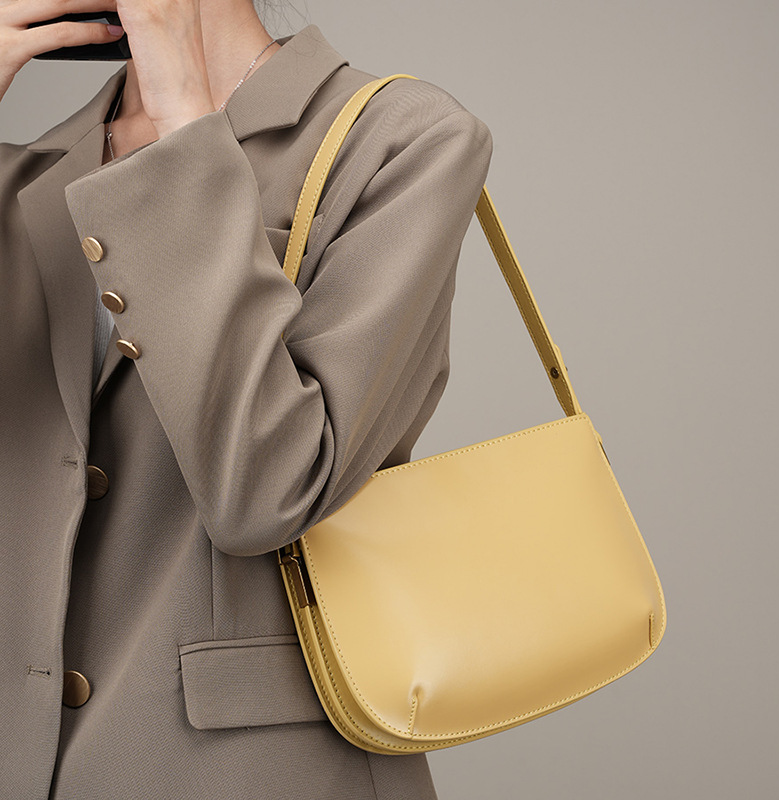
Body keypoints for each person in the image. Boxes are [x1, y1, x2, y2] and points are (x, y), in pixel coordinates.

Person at [0, 1, 492, 798]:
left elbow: (266, 491)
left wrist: (183, 122)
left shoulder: (399, 140)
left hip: (249, 774)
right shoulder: (22, 172)